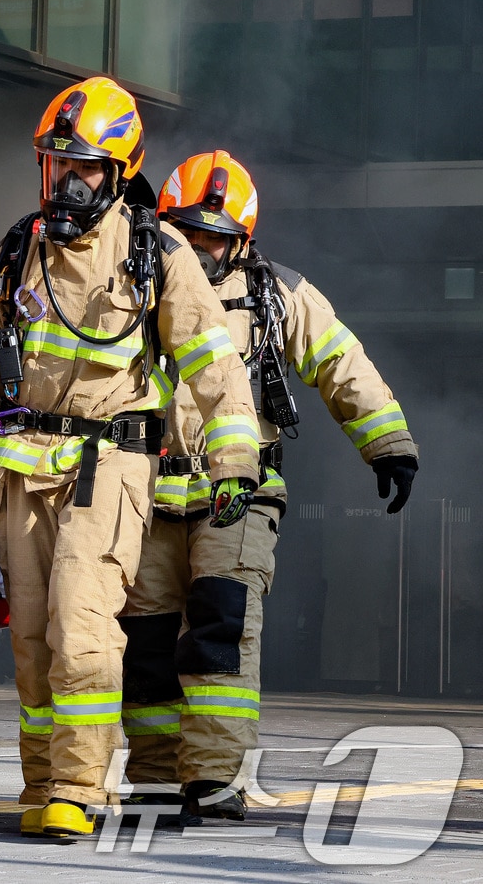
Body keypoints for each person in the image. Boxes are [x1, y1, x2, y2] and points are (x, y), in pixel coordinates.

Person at [0, 76, 263, 838]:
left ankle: (79, 785)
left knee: (82, 624)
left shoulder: (157, 253)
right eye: (55, 163)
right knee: (29, 636)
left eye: (84, 166)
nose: (66, 179)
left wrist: (234, 458)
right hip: (21, 466)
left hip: (110, 466)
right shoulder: (17, 249)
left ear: (119, 171)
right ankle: (41, 782)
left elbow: (214, 365)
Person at [119, 150, 419, 820]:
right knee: (147, 644)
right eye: (184, 236)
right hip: (147, 493)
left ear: (243, 238)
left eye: (213, 239)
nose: (196, 252)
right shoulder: (136, 282)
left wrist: (388, 445)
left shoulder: (276, 293)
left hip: (239, 495)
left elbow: (341, 360)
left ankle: (215, 778)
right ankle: (157, 778)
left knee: (221, 629)